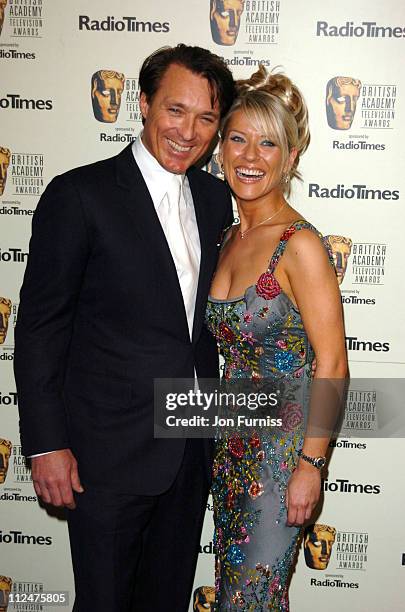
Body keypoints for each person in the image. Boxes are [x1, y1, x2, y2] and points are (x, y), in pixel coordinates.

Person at [14, 44, 235, 612]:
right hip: (104, 458)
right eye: (176, 110)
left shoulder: (215, 199)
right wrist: (46, 444)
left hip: (188, 452)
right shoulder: (79, 195)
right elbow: (40, 328)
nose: (190, 131)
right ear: (142, 104)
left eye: (207, 118)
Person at [205, 66, 347, 609]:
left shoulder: (300, 244)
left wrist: (312, 466)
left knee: (251, 600)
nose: (249, 156)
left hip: (280, 459)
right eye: (237, 139)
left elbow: (332, 362)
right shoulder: (225, 235)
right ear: (220, 149)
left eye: (268, 144)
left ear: (289, 158)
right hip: (230, 450)